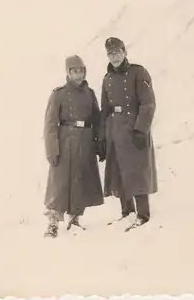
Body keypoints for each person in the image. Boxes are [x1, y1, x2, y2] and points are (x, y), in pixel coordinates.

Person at [98, 37, 158, 232]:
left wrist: (142, 129)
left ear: (125, 52)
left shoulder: (138, 72)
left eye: (117, 52)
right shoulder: (107, 79)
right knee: (119, 171)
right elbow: (104, 110)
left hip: (134, 129)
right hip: (115, 130)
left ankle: (142, 215)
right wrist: (103, 138)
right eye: (110, 53)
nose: (114, 56)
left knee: (137, 171)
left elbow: (148, 103)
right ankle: (127, 212)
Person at [42, 54, 105, 238]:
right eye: (75, 71)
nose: (78, 75)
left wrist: (100, 143)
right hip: (65, 141)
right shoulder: (58, 94)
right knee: (59, 184)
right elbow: (50, 124)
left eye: (81, 71)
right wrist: (51, 149)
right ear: (68, 73)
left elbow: (97, 119)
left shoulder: (90, 94)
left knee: (81, 180)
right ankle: (53, 223)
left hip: (85, 141)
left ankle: (75, 218)